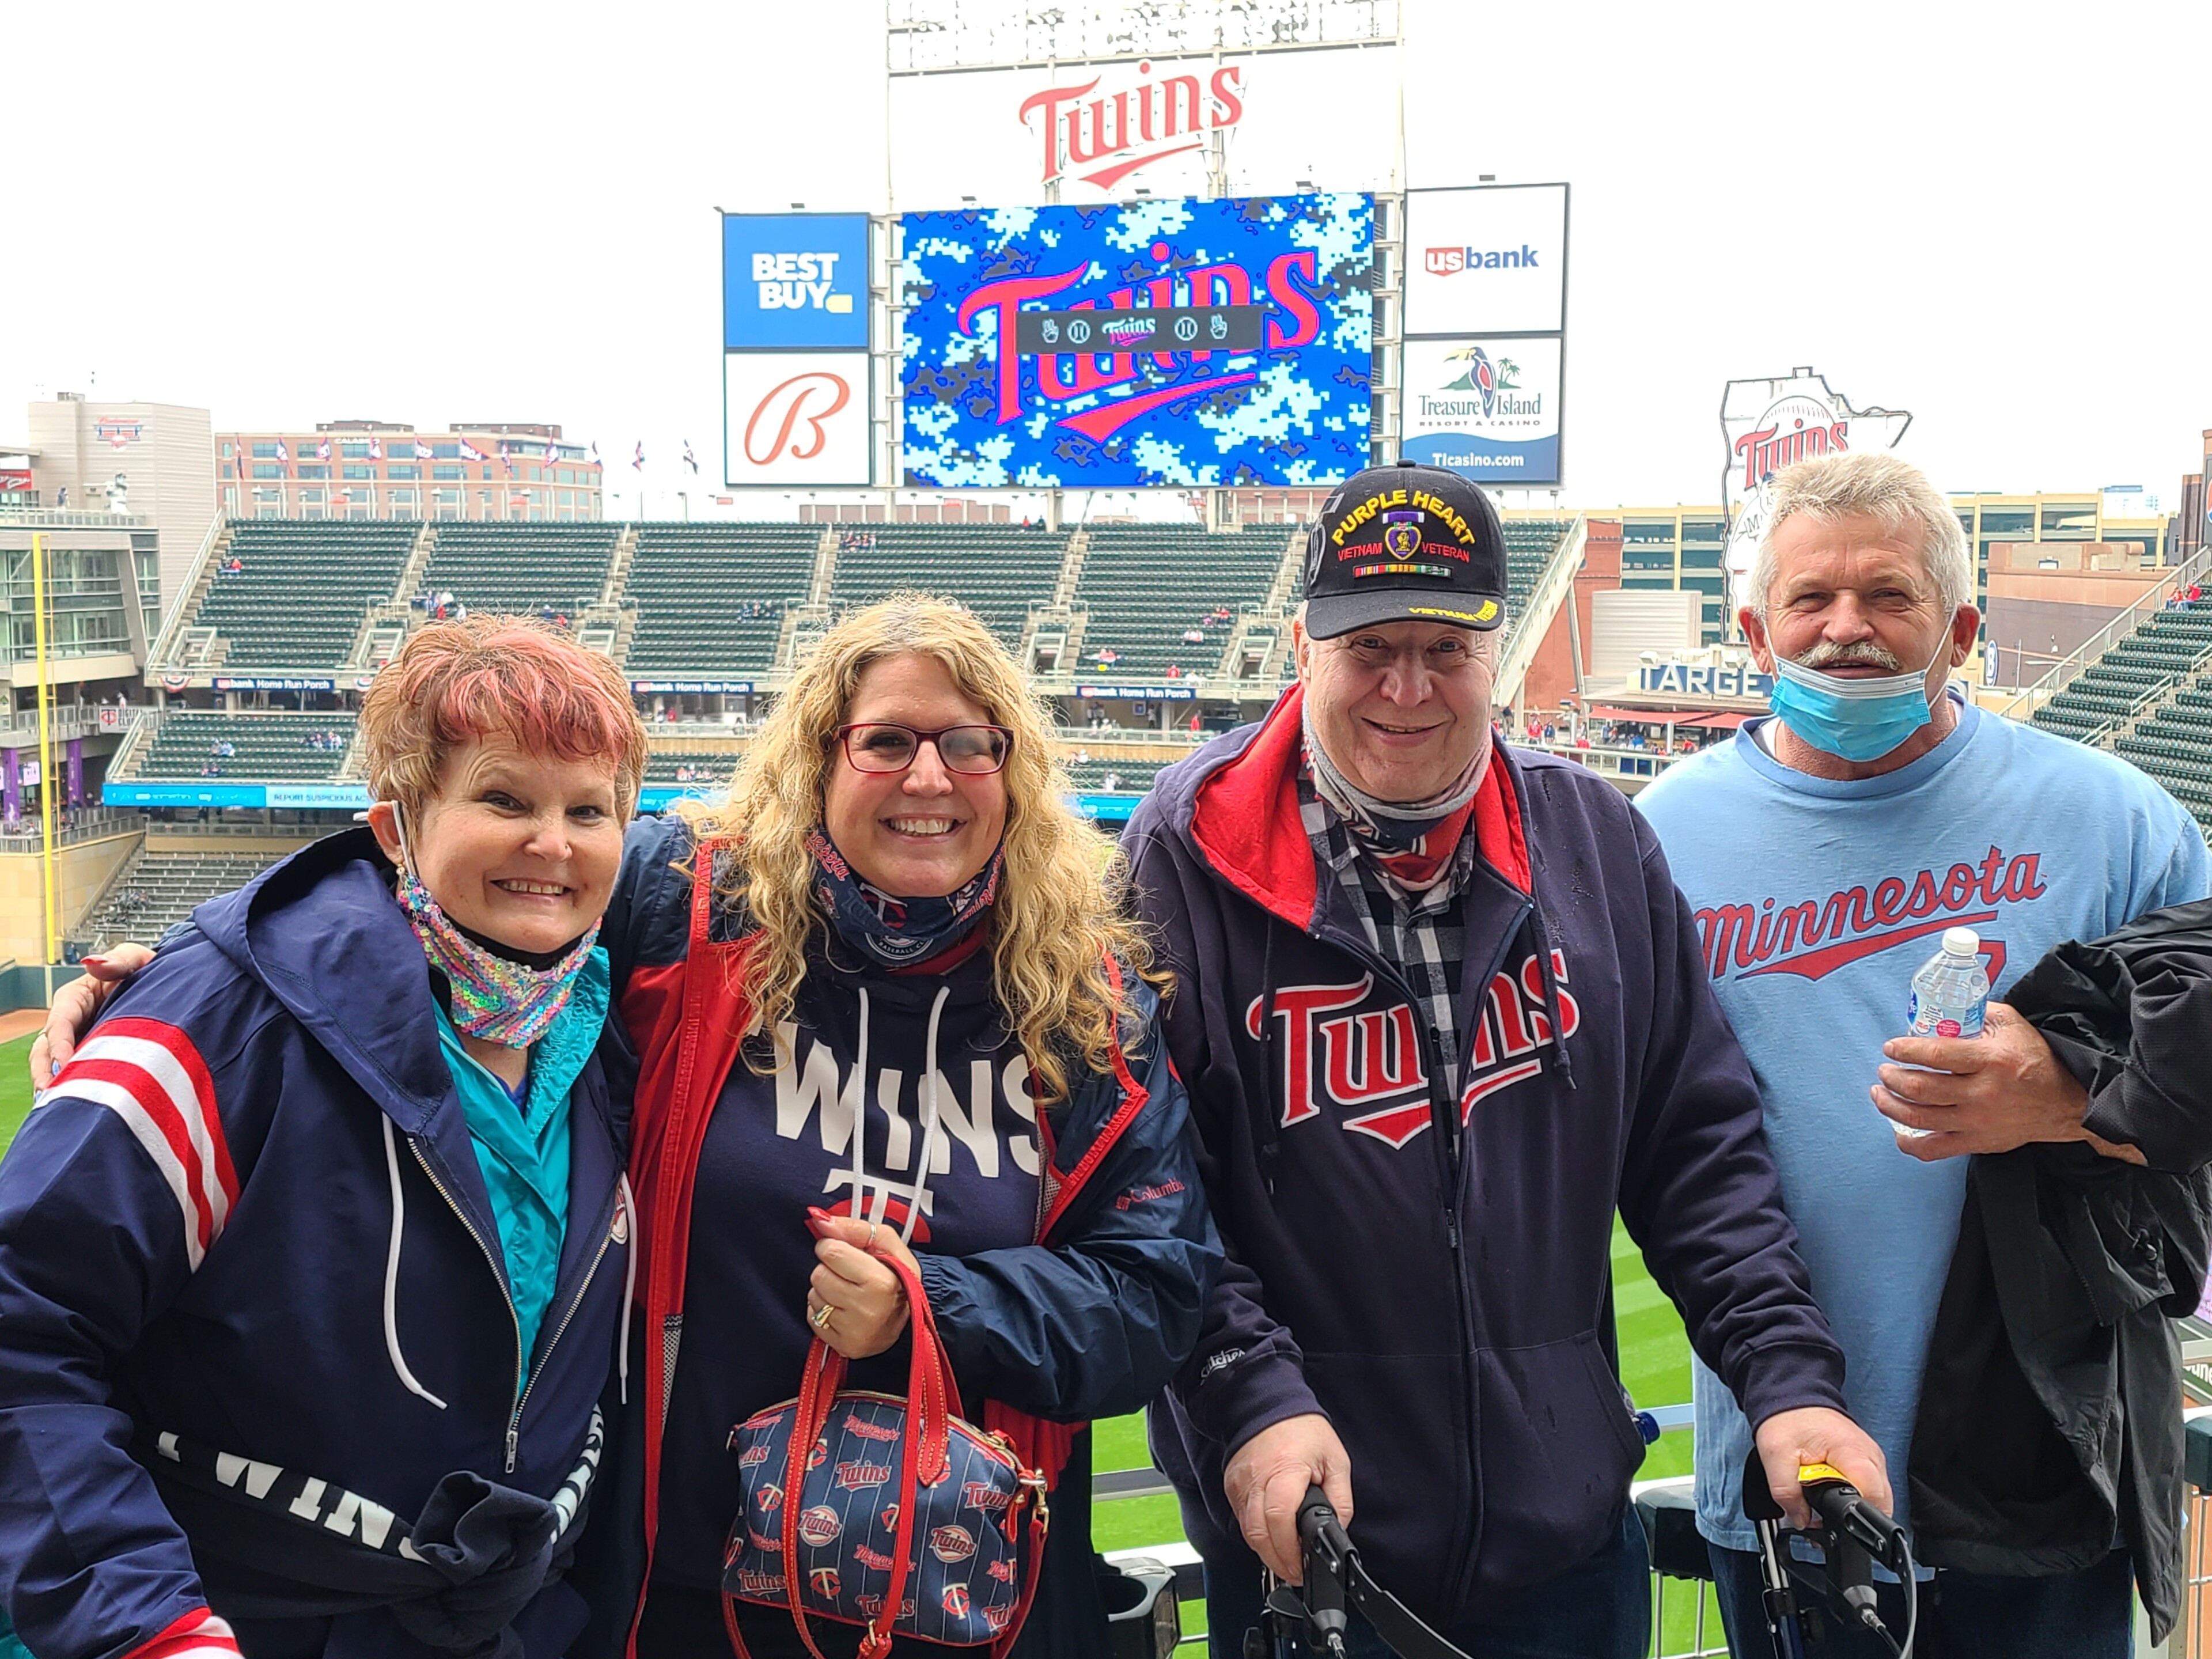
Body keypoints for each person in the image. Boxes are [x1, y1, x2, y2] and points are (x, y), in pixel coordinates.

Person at [38, 600, 1223, 1659]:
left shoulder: (1091, 1010)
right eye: (886, 741)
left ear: (1014, 771)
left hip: (974, 1601)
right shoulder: (686, 906)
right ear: (819, 757)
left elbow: (1159, 1293)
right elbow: (456, 894)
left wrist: (938, 1308)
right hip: (669, 1595)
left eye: (970, 744)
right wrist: (187, 973)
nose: (930, 776)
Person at [1125, 461, 1883, 1659]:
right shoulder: (1185, 853)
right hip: (1309, 1543)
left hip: (1567, 1551)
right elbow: (1159, 1195)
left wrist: (1788, 1381)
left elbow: (1698, 1156)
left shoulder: (1597, 841)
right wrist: (1253, 1399)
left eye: (1447, 647)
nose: (1408, 686)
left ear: (1500, 651)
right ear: (1302, 648)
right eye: (1371, 647)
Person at [1635, 451, 2210, 1658]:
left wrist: (2070, 1099)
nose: (1847, 628)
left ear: (1960, 631)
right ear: (1756, 632)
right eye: (1811, 598)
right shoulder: (1656, 838)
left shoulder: (2117, 823)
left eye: (1889, 595)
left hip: (2044, 1471)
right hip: (1787, 1472)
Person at [0, 618, 649, 1659]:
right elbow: (24, 1318)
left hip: (517, 1624)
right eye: (503, 800)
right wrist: (145, 1624)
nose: (553, 844)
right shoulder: (219, 1021)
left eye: (588, 810)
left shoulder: (606, 1026)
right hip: (245, 1622)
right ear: (396, 827)